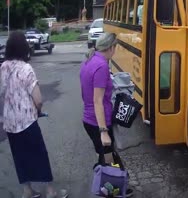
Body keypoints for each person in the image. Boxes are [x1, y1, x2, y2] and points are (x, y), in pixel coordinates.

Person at [0, 31, 68, 198]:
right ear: (24, 47)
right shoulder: (26, 68)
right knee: (39, 154)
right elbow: (38, 99)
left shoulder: (3, 67)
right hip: (27, 122)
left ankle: (27, 190)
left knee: (20, 156)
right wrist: (37, 110)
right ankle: (50, 191)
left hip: (10, 123)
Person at [79, 33, 133, 197]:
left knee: (105, 155)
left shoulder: (89, 60)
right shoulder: (102, 66)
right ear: (110, 48)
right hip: (98, 122)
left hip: (89, 120)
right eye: (115, 47)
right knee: (109, 161)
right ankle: (110, 190)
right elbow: (97, 101)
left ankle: (112, 187)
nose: (115, 50)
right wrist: (104, 131)